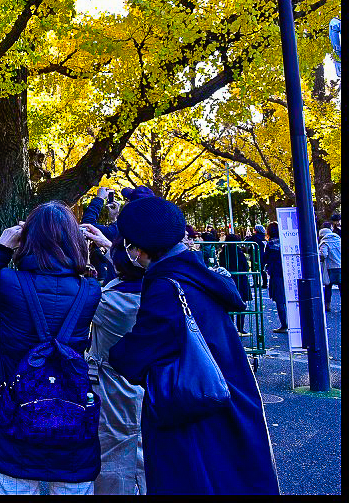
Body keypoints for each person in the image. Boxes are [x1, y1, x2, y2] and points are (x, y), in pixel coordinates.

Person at [109, 197, 279, 495]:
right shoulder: (199, 275)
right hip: (229, 398)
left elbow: (135, 356)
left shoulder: (164, 286)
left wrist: (116, 351)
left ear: (140, 248)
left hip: (192, 406)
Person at [0, 203, 102, 494]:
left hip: (16, 407)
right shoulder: (90, 290)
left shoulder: (8, 282)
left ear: (27, 239)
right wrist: (107, 246)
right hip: (71, 408)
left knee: (15, 482)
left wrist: (2, 248)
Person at [81, 224, 146, 495]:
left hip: (111, 387)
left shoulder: (107, 303)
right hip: (148, 385)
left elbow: (81, 295)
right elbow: (136, 268)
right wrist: (110, 246)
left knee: (112, 456)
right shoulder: (158, 292)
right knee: (148, 452)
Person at [219, 232, 252, 334]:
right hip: (241, 280)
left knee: (229, 304)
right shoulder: (239, 253)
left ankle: (231, 328)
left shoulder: (223, 253)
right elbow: (246, 267)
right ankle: (241, 328)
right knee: (242, 304)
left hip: (228, 281)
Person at [261, 222, 287, 333]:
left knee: (279, 300)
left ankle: (284, 324)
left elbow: (265, 259)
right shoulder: (286, 242)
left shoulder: (270, 244)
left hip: (276, 272)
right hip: (288, 271)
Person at [319, 225, 341, 312]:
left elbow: (323, 254)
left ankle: (327, 306)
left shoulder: (325, 242)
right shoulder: (339, 240)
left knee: (328, 286)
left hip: (331, 267)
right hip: (340, 266)